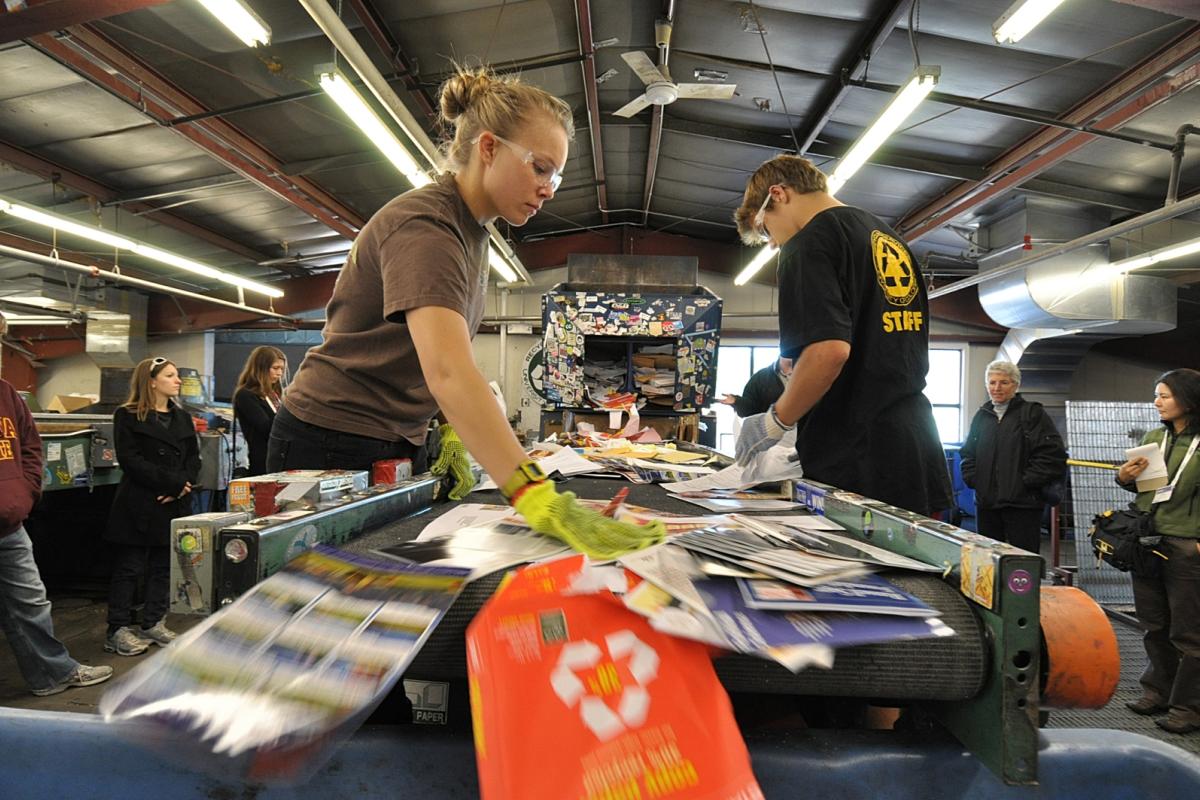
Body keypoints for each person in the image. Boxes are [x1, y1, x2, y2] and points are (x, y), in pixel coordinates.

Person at [267, 66, 662, 558]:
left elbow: (430, 355)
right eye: (540, 167)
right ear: (489, 147)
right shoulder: (427, 226)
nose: (551, 188)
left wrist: (446, 427)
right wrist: (536, 496)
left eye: (557, 174)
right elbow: (449, 371)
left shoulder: (472, 231)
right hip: (332, 438)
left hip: (389, 435)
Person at [731, 155, 951, 517]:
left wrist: (775, 421)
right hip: (916, 449)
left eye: (766, 228)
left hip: (857, 457)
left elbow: (828, 351)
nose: (772, 244)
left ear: (778, 194)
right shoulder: (889, 237)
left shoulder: (807, 243)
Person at [0, 312, 113, 695]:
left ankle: (52, 674)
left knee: (31, 604)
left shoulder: (6, 394)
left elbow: (32, 447)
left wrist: (27, 490)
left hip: (9, 525)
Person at [1117, 368, 1200, 735]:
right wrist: (1125, 478)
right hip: (1149, 541)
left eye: (1164, 395)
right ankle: (1157, 690)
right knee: (1154, 624)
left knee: (1188, 632)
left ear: (1188, 398)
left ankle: (1188, 707)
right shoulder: (1154, 439)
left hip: (1187, 547)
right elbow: (1148, 492)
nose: (1157, 402)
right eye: (1157, 395)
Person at [104, 356, 200, 656]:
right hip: (140, 503)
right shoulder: (128, 415)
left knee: (164, 566)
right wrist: (170, 484)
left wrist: (182, 486)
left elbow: (193, 459)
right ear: (152, 381)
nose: (178, 380)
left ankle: (153, 622)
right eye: (170, 375)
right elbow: (131, 460)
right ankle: (117, 629)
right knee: (129, 567)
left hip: (174, 502)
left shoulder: (182, 417)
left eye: (176, 375)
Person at [959, 360, 1067, 554]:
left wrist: (1024, 483)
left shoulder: (1032, 414)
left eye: (1004, 382)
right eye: (992, 382)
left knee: (1022, 562)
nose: (997, 388)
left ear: (1015, 385)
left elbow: (1052, 455)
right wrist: (975, 479)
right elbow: (968, 453)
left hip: (1023, 505)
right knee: (987, 561)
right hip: (987, 504)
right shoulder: (982, 416)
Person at [233, 346, 286, 476]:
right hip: (262, 463)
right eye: (275, 368)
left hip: (280, 460)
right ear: (261, 368)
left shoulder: (275, 394)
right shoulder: (246, 395)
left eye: (282, 369)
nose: (279, 373)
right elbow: (266, 427)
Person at [719, 358, 792, 418]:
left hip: (800, 432)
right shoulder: (761, 377)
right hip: (770, 432)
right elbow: (749, 410)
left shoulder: (802, 376)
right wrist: (736, 401)